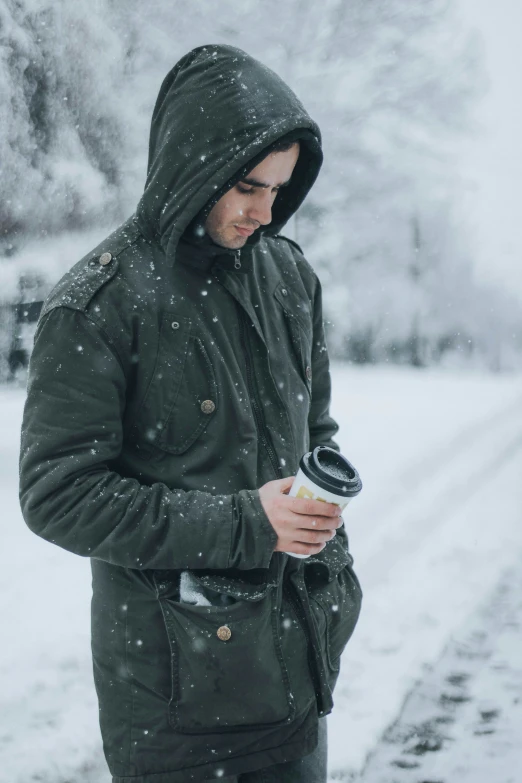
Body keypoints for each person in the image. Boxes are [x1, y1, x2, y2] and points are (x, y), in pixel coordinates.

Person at [19, 44, 362, 783]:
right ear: (192, 163)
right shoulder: (99, 305)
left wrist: (316, 509)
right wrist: (248, 522)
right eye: (246, 186)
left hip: (295, 681)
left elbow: (317, 430)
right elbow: (58, 495)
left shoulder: (291, 277)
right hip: (172, 703)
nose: (264, 211)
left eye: (279, 187)